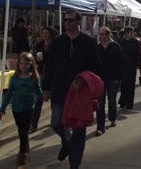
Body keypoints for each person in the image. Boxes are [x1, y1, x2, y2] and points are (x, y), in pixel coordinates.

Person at [42, 9, 101, 169]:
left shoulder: (88, 42)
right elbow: (50, 65)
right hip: (59, 90)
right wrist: (46, 87)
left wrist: (83, 80)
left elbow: (95, 66)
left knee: (79, 129)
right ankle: (67, 143)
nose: (67, 23)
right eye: (65, 20)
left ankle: (75, 162)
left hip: (80, 93)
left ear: (78, 22)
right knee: (56, 122)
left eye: (70, 20)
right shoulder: (58, 41)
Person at [0, 52, 42, 166]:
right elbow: (8, 95)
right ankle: (25, 147)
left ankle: (22, 155)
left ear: (31, 65)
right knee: (21, 130)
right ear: (18, 65)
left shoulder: (34, 79)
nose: (23, 66)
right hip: (16, 109)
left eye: (26, 63)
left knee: (24, 130)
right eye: (21, 63)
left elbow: (39, 92)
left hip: (29, 109)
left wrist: (44, 96)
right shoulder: (14, 79)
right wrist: (2, 108)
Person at [96, 27, 123, 135]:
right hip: (100, 79)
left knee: (112, 100)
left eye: (102, 34)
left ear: (108, 35)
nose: (100, 36)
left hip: (113, 78)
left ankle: (112, 118)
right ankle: (100, 127)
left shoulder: (116, 46)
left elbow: (121, 63)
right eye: (99, 34)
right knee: (100, 103)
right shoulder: (98, 47)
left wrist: (119, 79)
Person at [30, 26, 56, 132]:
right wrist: (35, 58)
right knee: (38, 99)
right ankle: (33, 124)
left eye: (46, 33)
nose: (44, 35)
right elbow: (33, 56)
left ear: (50, 34)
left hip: (52, 74)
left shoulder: (55, 45)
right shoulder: (39, 45)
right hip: (41, 73)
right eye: (43, 33)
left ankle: (54, 121)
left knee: (53, 100)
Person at [118, 26, 141, 109]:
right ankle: (122, 101)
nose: (133, 34)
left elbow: (138, 54)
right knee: (124, 85)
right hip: (123, 67)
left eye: (133, 32)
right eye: (131, 32)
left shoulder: (135, 42)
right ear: (126, 33)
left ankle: (129, 103)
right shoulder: (121, 42)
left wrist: (139, 65)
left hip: (132, 67)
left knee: (131, 85)